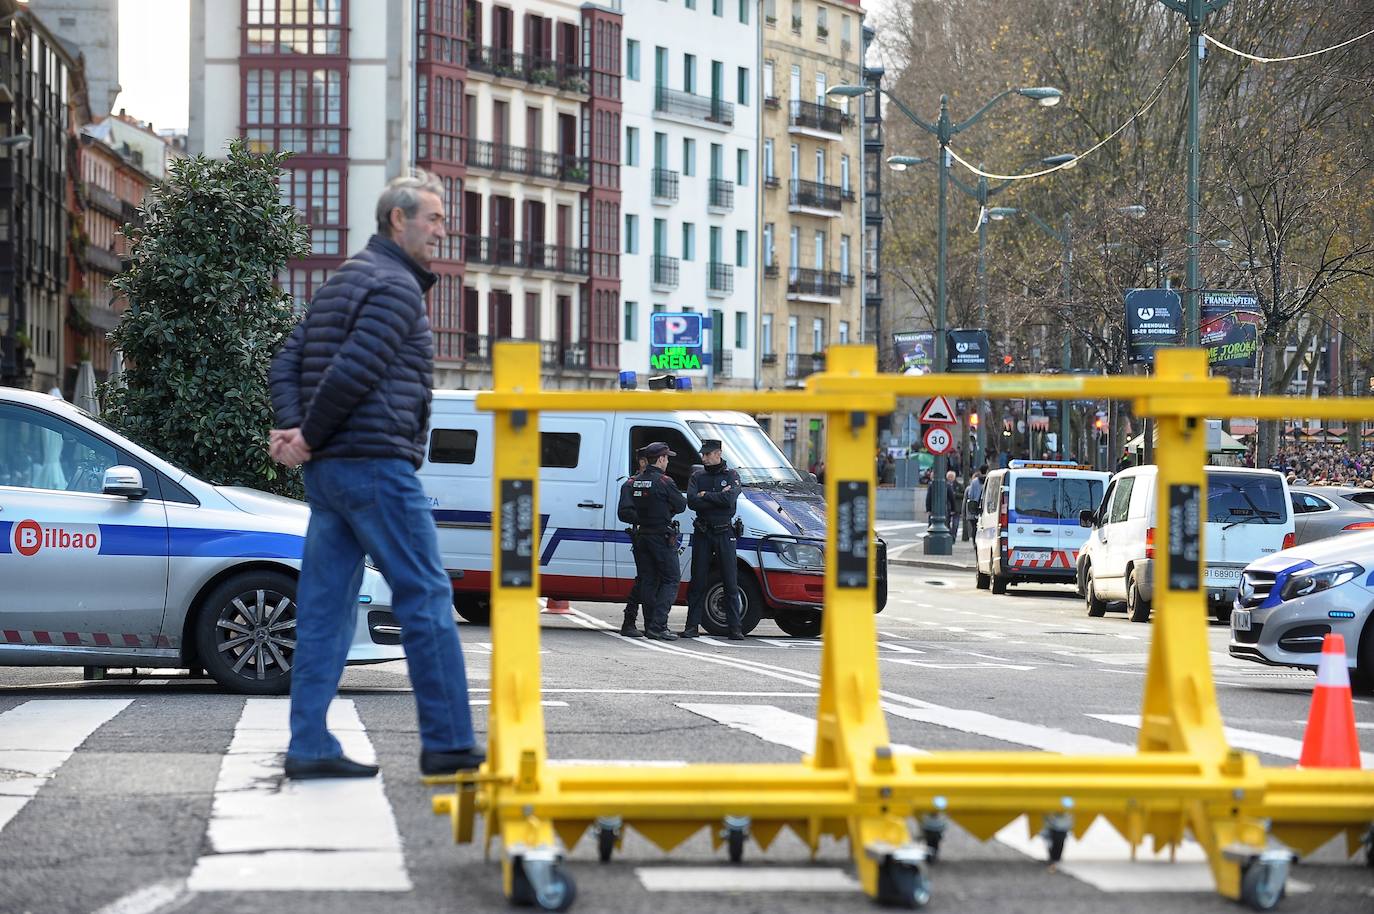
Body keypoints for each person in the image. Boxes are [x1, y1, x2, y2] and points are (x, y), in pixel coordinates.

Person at [268, 170, 482, 781]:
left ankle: (310, 744)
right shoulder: (394, 287)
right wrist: (307, 435)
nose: (442, 230)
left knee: (324, 611)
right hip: (376, 467)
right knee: (427, 595)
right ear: (398, 219)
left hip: (330, 478)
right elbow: (355, 370)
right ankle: (448, 742)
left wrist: (294, 430)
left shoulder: (342, 281)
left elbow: (286, 360)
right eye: (433, 219)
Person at [617, 442, 686, 641]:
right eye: (667, 458)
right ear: (661, 459)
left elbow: (623, 513)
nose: (668, 462)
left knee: (648, 581)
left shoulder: (632, 483)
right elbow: (681, 505)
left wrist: (643, 518)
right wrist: (662, 513)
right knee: (671, 580)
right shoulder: (665, 481)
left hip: (642, 537)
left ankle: (650, 626)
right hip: (661, 537)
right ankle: (658, 625)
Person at [682, 439, 744, 640]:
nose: (704, 458)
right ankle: (692, 626)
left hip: (724, 532)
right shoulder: (697, 476)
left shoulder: (731, 475)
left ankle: (735, 628)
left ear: (718, 453)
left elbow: (729, 500)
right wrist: (716, 497)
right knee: (698, 580)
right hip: (704, 532)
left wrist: (705, 495)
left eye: (708, 454)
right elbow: (692, 502)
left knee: (730, 580)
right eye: (703, 454)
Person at [617, 454, 650, 637]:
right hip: (642, 535)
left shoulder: (658, 482)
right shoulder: (631, 484)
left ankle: (652, 623)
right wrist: (648, 518)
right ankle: (629, 621)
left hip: (658, 536)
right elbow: (624, 513)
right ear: (642, 462)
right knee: (644, 578)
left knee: (653, 579)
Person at [963, 464, 987, 542]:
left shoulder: (974, 482)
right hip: (986, 507)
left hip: (975, 507)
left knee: (975, 527)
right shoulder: (989, 480)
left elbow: (970, 495)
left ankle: (975, 542)